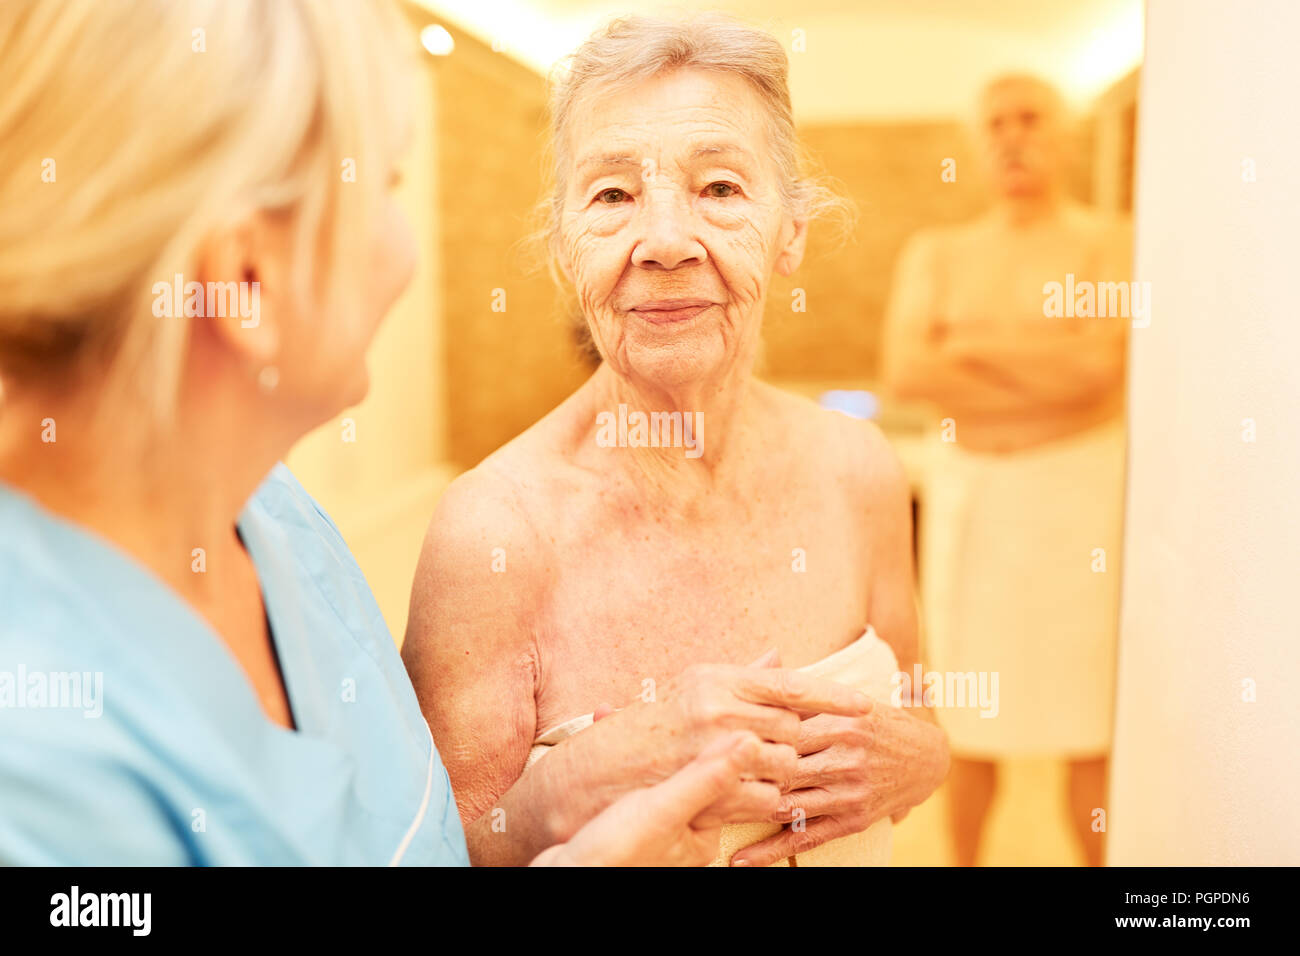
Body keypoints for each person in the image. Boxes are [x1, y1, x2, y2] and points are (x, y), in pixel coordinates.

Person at [0, 0, 867, 866]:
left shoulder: (277, 521)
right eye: (384, 188)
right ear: (248, 281)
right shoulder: (43, 772)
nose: (407, 253)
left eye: (719, 188)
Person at [403, 14, 950, 868]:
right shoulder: (493, 532)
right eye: (613, 195)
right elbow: (440, 849)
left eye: (720, 189)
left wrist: (927, 760)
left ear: (790, 231)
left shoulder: (859, 471)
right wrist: (582, 779)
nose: (663, 243)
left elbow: (914, 716)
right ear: (562, 244)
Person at [880, 74, 1131, 866]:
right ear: (976, 145)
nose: (1013, 136)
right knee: (970, 720)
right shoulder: (940, 252)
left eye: (1030, 119)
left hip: (1080, 504)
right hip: (977, 503)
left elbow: (1097, 371)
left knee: (1089, 718)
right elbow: (908, 372)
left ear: (1066, 136)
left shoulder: (1109, 243)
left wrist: (973, 346)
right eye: (995, 123)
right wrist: (1044, 359)